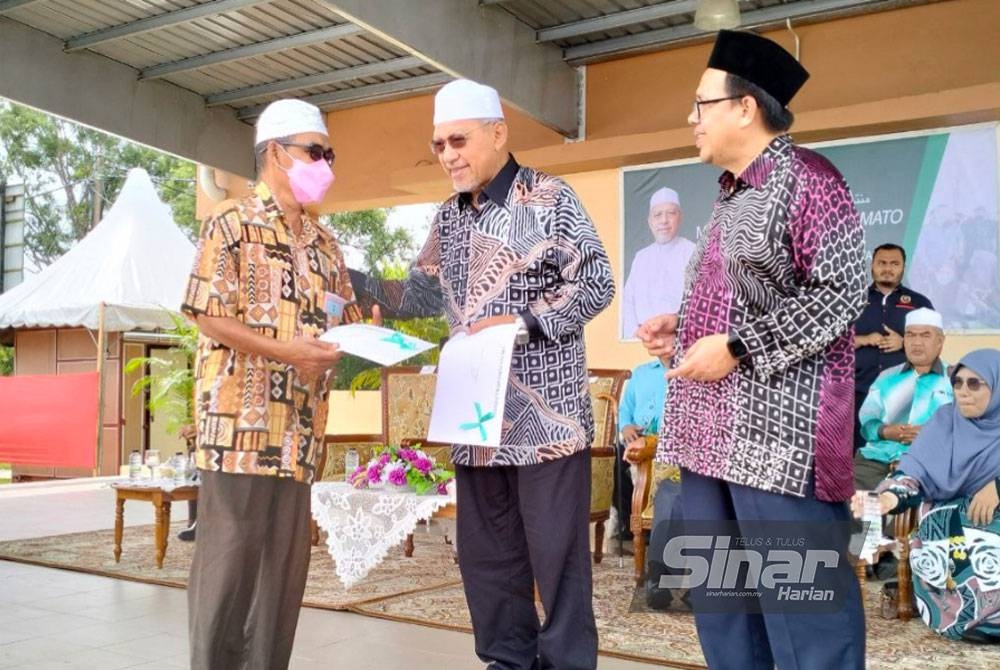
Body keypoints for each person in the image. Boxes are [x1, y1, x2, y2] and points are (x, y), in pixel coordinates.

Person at [349, 79, 614, 669]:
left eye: (458, 140)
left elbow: (597, 284)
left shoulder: (550, 198)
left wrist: (521, 321)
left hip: (546, 426)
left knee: (557, 564)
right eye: (439, 145)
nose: (448, 155)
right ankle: (506, 662)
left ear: (498, 133)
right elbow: (417, 292)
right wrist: (350, 281)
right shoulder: (448, 218)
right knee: (488, 562)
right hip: (475, 425)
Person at [637, 30, 867, 668]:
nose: (691, 118)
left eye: (701, 104)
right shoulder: (727, 199)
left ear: (746, 107)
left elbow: (842, 294)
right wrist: (676, 333)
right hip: (708, 442)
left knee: (805, 619)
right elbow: (739, 306)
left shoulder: (809, 179)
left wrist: (737, 347)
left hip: (781, 448)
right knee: (729, 621)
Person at [180, 98, 365, 669]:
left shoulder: (326, 243)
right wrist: (289, 352)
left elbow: (345, 322)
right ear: (277, 154)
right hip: (239, 430)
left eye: (329, 154)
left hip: (300, 435)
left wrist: (366, 338)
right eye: (316, 152)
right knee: (228, 572)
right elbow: (207, 313)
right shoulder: (231, 223)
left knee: (283, 578)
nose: (326, 165)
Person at [852, 349, 1000, 641]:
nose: (963, 392)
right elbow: (913, 473)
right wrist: (887, 499)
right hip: (949, 518)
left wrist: (996, 487)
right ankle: (970, 617)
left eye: (975, 384)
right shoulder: (945, 421)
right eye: (958, 383)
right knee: (950, 532)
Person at [855, 307, 953, 490]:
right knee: (865, 511)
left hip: (930, 462)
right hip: (877, 459)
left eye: (925, 335)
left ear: (940, 341)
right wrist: (886, 431)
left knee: (916, 505)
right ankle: (869, 520)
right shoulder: (887, 377)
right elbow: (867, 424)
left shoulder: (956, 380)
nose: (916, 342)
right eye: (910, 335)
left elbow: (967, 429)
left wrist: (932, 434)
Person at [854, 243, 934, 452]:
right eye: (882, 263)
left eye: (894, 263)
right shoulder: (853, 299)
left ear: (903, 267)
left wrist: (904, 343)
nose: (888, 268)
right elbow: (831, 341)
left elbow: (934, 347)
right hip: (856, 392)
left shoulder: (919, 303)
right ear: (871, 265)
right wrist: (863, 339)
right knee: (856, 454)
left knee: (899, 455)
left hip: (904, 394)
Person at [621, 187, 696, 337]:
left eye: (671, 214)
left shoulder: (693, 252)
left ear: (680, 217)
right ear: (650, 221)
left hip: (681, 339)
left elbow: (701, 302)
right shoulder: (641, 257)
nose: (664, 221)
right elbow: (627, 302)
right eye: (657, 215)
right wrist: (635, 335)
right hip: (642, 340)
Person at [614, 356, 670, 539]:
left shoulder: (689, 369)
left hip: (665, 442)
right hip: (635, 437)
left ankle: (650, 530)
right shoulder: (641, 372)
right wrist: (626, 426)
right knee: (616, 461)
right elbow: (625, 409)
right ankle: (628, 524)